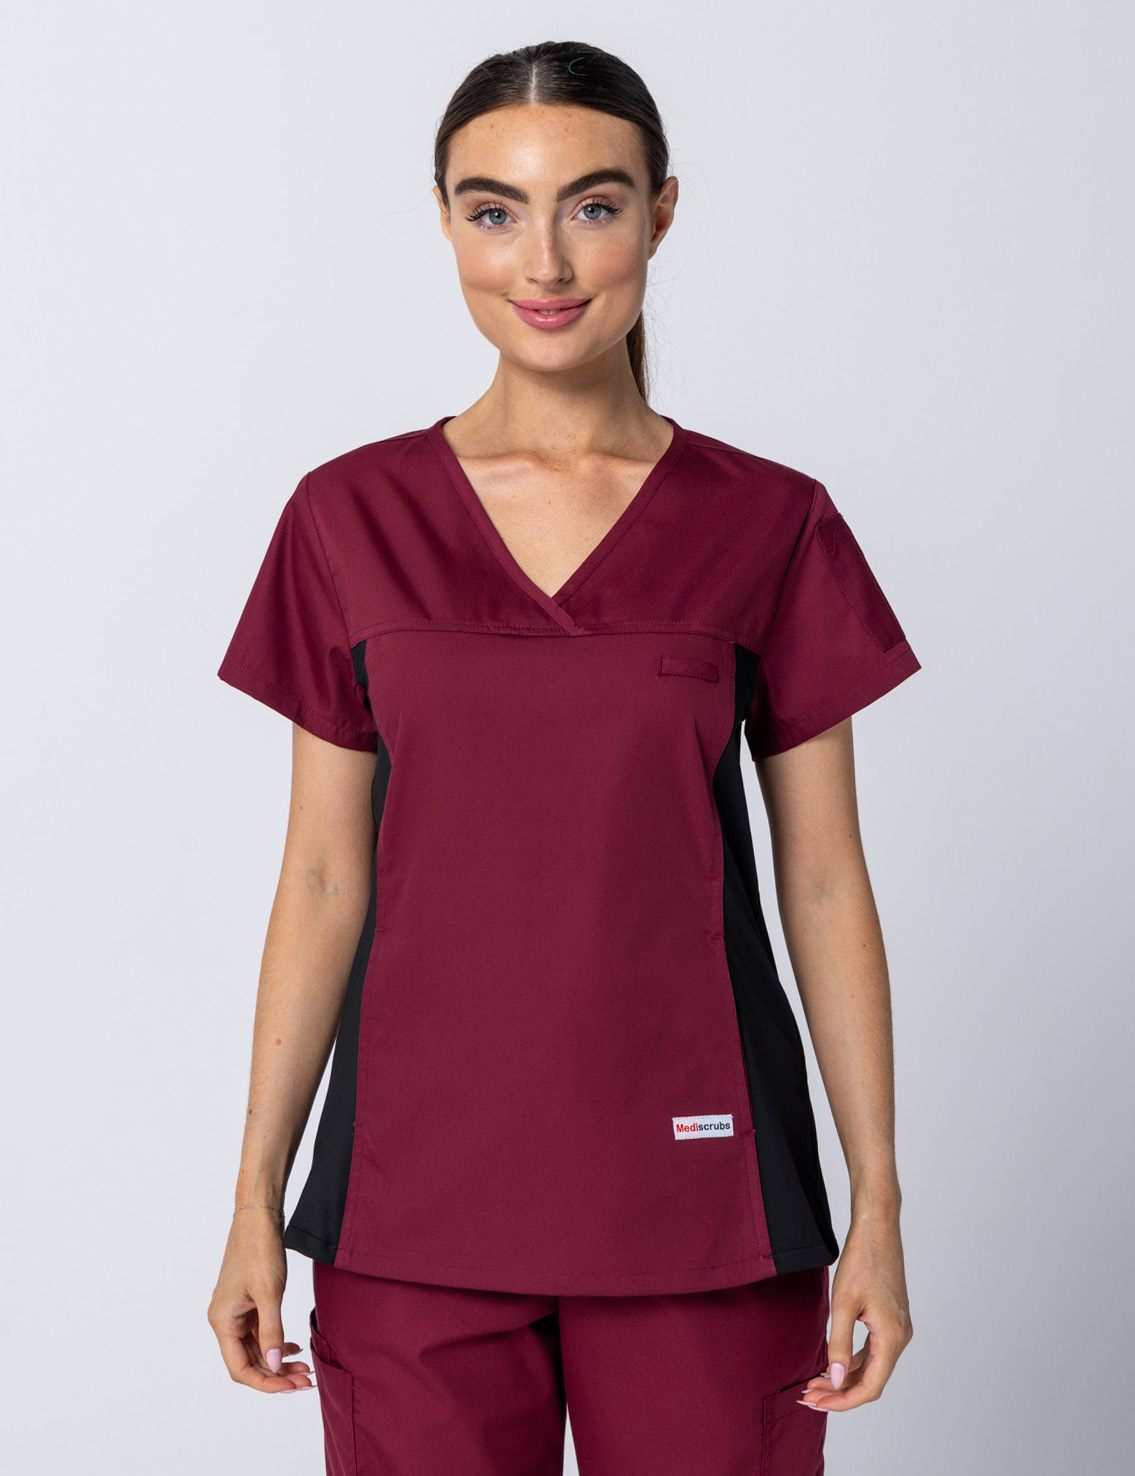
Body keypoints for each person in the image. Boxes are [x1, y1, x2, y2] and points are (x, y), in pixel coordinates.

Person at [207, 38, 918, 1476]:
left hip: (705, 1202)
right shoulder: (348, 518)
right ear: (445, 221)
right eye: (495, 210)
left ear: (661, 214)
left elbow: (825, 884)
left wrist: (880, 1211)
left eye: (593, 206)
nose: (543, 261)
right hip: (413, 1201)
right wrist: (252, 1201)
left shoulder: (770, 522)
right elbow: (324, 878)